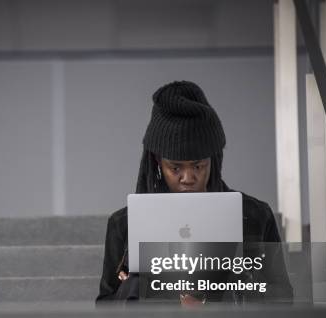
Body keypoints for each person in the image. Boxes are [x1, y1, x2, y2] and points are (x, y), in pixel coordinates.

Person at [95, 81, 293, 305]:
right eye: (175, 168)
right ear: (158, 163)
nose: (188, 178)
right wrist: (134, 286)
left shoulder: (255, 216)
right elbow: (105, 307)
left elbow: (282, 298)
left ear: (213, 160)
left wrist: (234, 286)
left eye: (198, 166)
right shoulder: (124, 224)